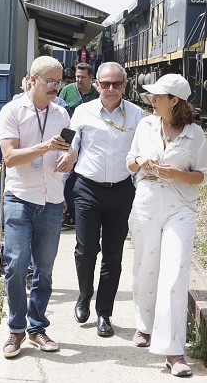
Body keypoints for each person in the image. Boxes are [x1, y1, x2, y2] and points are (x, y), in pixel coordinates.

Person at [125, 73, 207, 377]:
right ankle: (144, 325)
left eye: (158, 96)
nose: (152, 99)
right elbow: (129, 161)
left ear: (174, 101)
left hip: (180, 207)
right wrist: (142, 162)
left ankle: (174, 351)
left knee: (175, 274)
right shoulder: (146, 125)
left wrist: (177, 173)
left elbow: (200, 175)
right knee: (145, 268)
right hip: (147, 200)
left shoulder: (195, 134)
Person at [56, 62, 144, 338]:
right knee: (85, 250)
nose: (110, 89)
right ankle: (84, 295)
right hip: (87, 189)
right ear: (96, 85)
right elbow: (69, 146)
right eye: (105, 84)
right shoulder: (81, 112)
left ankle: (104, 313)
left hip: (121, 190)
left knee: (113, 255)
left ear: (124, 86)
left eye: (116, 84)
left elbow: (142, 152)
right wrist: (62, 184)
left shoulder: (137, 115)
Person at [0, 56, 74, 358]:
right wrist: (45, 147)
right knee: (16, 264)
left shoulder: (62, 115)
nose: (56, 86)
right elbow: (10, 158)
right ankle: (15, 329)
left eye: (59, 80)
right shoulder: (12, 111)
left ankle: (37, 327)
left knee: (45, 269)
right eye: (50, 81)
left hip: (52, 200)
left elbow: (67, 154)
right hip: (20, 197)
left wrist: (69, 161)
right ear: (33, 80)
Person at [57, 62, 98, 226]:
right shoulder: (67, 91)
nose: (79, 80)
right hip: (69, 138)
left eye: (82, 77)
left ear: (91, 78)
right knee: (67, 174)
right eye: (77, 77)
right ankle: (68, 212)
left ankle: (76, 212)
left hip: (89, 140)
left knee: (79, 176)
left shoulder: (97, 93)